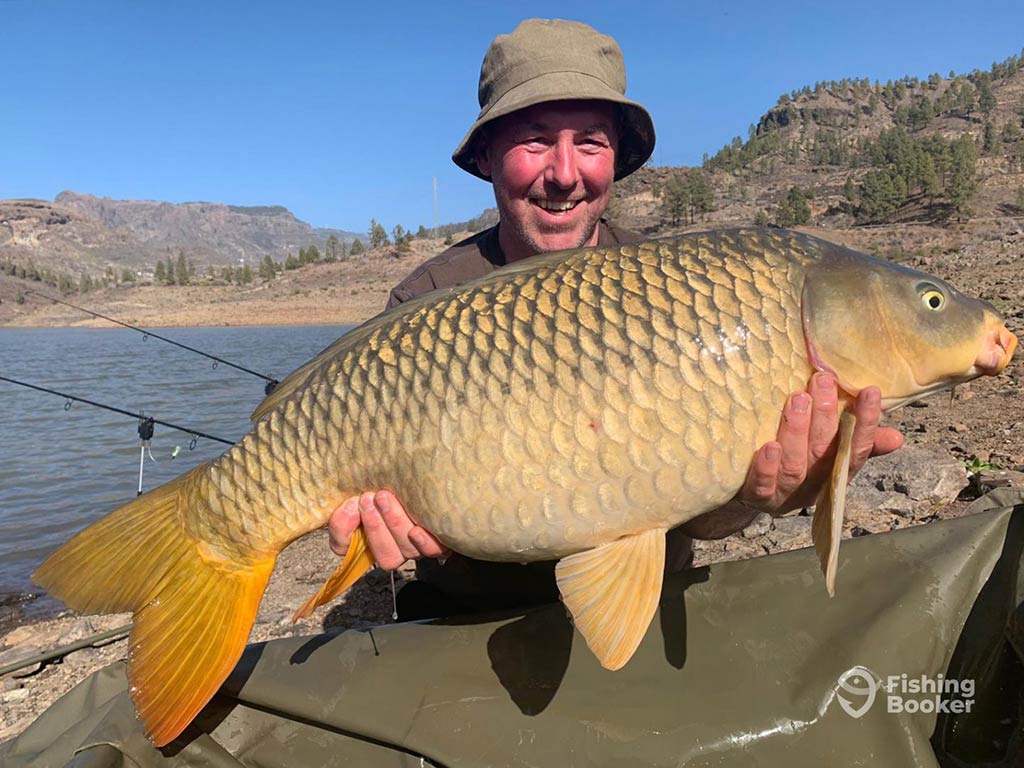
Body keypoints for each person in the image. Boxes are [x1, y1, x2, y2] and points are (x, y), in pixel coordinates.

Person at [326, 18, 903, 618]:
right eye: (535, 140)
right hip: (470, 615)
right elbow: (392, 518)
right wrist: (399, 535)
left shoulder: (682, 288)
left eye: (592, 142)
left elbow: (703, 508)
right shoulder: (426, 303)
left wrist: (756, 496)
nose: (565, 172)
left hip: (649, 595)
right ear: (486, 156)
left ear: (616, 159)